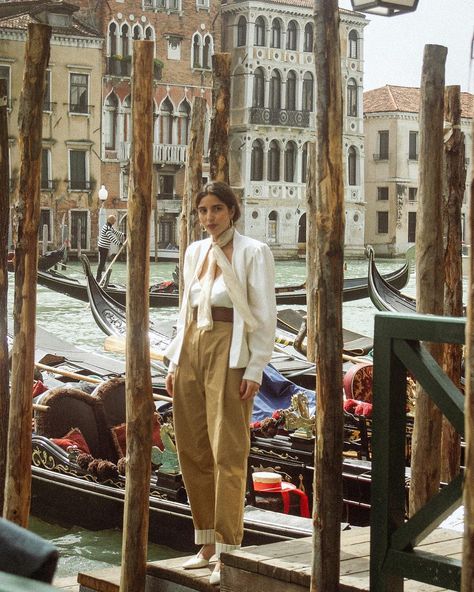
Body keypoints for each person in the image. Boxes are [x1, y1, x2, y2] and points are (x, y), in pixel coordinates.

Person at [164, 181, 277, 585]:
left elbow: (265, 317)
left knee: (227, 448)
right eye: (203, 211)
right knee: (192, 446)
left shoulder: (253, 252)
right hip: (192, 345)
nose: (209, 217)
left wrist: (254, 369)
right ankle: (207, 542)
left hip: (230, 350)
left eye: (216, 209)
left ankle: (229, 547)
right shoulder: (195, 251)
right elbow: (184, 312)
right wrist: (175, 359)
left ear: (232, 211)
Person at [96, 215, 125, 282]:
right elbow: (111, 238)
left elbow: (115, 232)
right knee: (102, 263)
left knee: (102, 263)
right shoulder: (107, 228)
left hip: (103, 247)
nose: (114, 222)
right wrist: (119, 243)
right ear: (111, 221)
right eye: (114, 221)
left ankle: (99, 277)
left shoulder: (109, 226)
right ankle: (98, 278)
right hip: (103, 248)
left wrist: (123, 234)